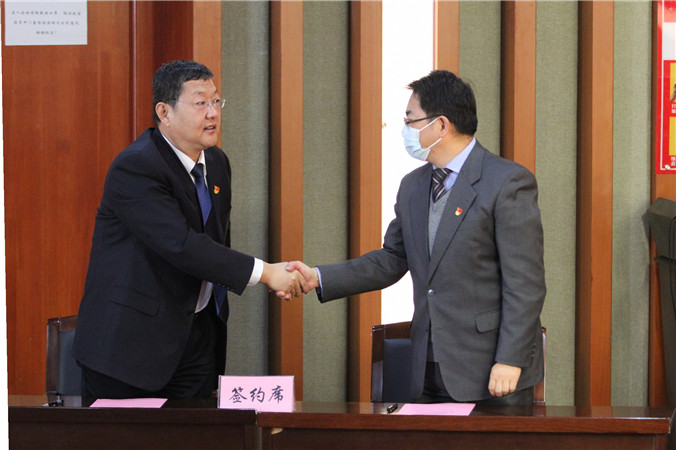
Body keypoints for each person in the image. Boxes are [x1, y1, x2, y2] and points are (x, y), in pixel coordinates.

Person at [288, 70, 545, 405]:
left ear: (441, 125)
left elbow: (525, 284)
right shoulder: (413, 185)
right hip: (425, 369)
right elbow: (392, 259)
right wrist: (318, 277)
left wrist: (510, 359)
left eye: (410, 120)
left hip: (492, 372)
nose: (405, 129)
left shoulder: (507, 182)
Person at [74, 60, 305, 399]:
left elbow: (215, 243)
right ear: (164, 112)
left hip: (196, 339)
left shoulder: (217, 163)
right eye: (200, 103)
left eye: (216, 101)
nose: (212, 113)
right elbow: (183, 245)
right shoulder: (137, 167)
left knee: (197, 428)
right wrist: (267, 273)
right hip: (130, 348)